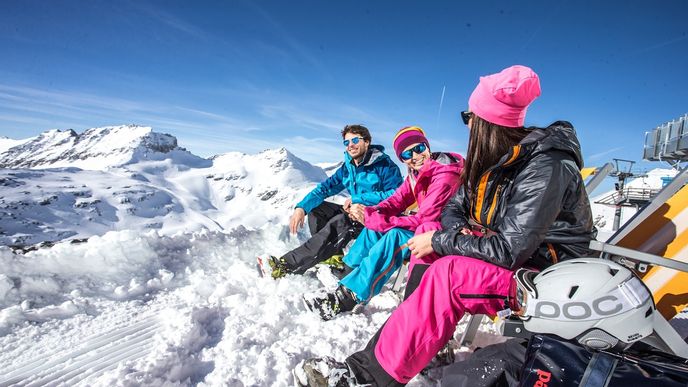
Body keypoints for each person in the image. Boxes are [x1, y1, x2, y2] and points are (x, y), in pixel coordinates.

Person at [294, 65, 596, 386]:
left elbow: (509, 249)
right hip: (515, 265)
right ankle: (416, 347)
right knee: (427, 251)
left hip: (546, 280)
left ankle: (366, 377)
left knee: (447, 273)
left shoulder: (544, 165)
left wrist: (441, 239)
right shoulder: (496, 162)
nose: (467, 126)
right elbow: (454, 208)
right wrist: (447, 233)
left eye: (469, 117)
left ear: (486, 122)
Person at [303, 126, 464, 320]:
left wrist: (376, 219)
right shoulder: (416, 174)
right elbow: (396, 200)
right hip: (430, 228)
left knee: (396, 236)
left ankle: (348, 296)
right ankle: (348, 272)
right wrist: (371, 212)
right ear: (402, 158)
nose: (415, 156)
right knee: (375, 229)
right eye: (407, 153)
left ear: (427, 146)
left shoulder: (445, 175)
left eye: (419, 148)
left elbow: (426, 219)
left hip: (449, 234)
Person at [259, 124, 403, 279]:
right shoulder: (349, 167)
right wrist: (301, 208)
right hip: (354, 211)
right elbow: (325, 188)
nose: (351, 145)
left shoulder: (385, 166)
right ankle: (332, 256)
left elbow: (396, 195)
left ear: (367, 142)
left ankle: (286, 266)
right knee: (317, 209)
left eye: (355, 140)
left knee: (340, 223)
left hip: (378, 218)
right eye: (346, 142)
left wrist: (358, 199)